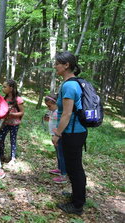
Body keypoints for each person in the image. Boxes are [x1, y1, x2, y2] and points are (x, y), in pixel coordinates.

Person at [52, 51, 87, 215]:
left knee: (74, 168)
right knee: (74, 167)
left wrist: (57, 134)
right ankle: (76, 196)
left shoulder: (69, 85)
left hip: (72, 133)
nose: (55, 66)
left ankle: (77, 205)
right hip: (76, 131)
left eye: (57, 63)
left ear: (66, 65)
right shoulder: (74, 83)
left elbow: (66, 114)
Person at [0, 79, 24, 164]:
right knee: (0, 139)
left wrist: (12, 114)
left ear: (11, 88)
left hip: (14, 124)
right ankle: (1, 155)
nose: (3, 88)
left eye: (5, 87)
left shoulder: (18, 99)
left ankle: (13, 158)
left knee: (13, 140)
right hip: (5, 123)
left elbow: (22, 112)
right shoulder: (3, 99)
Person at [44, 93, 67, 184]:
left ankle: (64, 174)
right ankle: (60, 168)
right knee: (58, 153)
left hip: (58, 136)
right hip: (54, 135)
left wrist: (57, 135)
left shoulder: (59, 112)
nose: (48, 108)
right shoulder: (53, 111)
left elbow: (60, 123)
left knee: (61, 154)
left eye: (49, 106)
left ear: (55, 103)